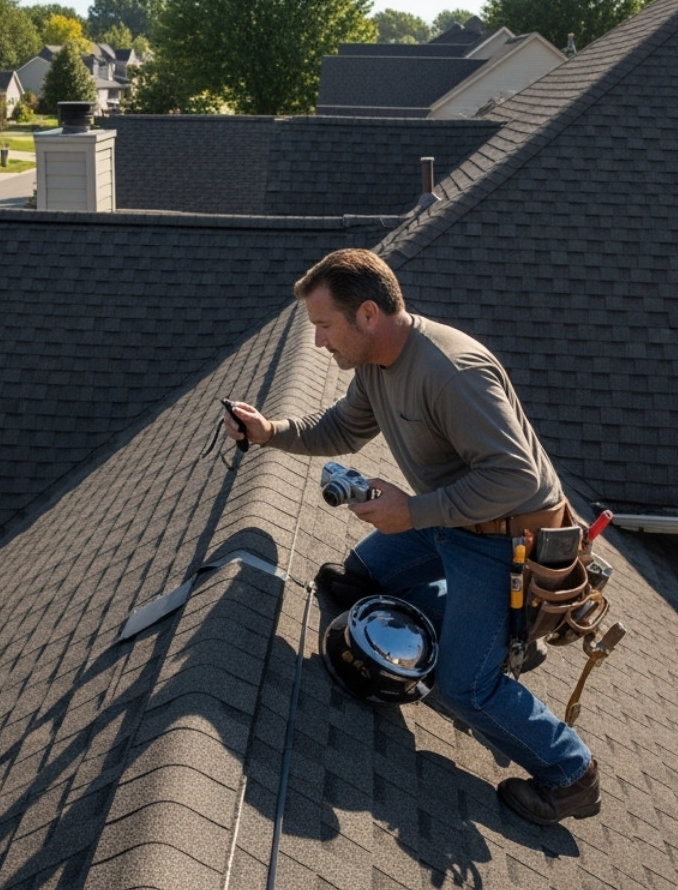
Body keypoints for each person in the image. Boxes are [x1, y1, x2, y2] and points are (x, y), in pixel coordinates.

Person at [222, 248, 600, 825]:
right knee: (356, 581)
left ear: (368, 314)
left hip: (505, 542)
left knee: (463, 688)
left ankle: (571, 773)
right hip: (451, 519)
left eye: (324, 326)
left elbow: (516, 478)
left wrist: (414, 511)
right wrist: (269, 431)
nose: (318, 342)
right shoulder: (376, 364)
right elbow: (343, 427)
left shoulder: (452, 372)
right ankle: (494, 633)